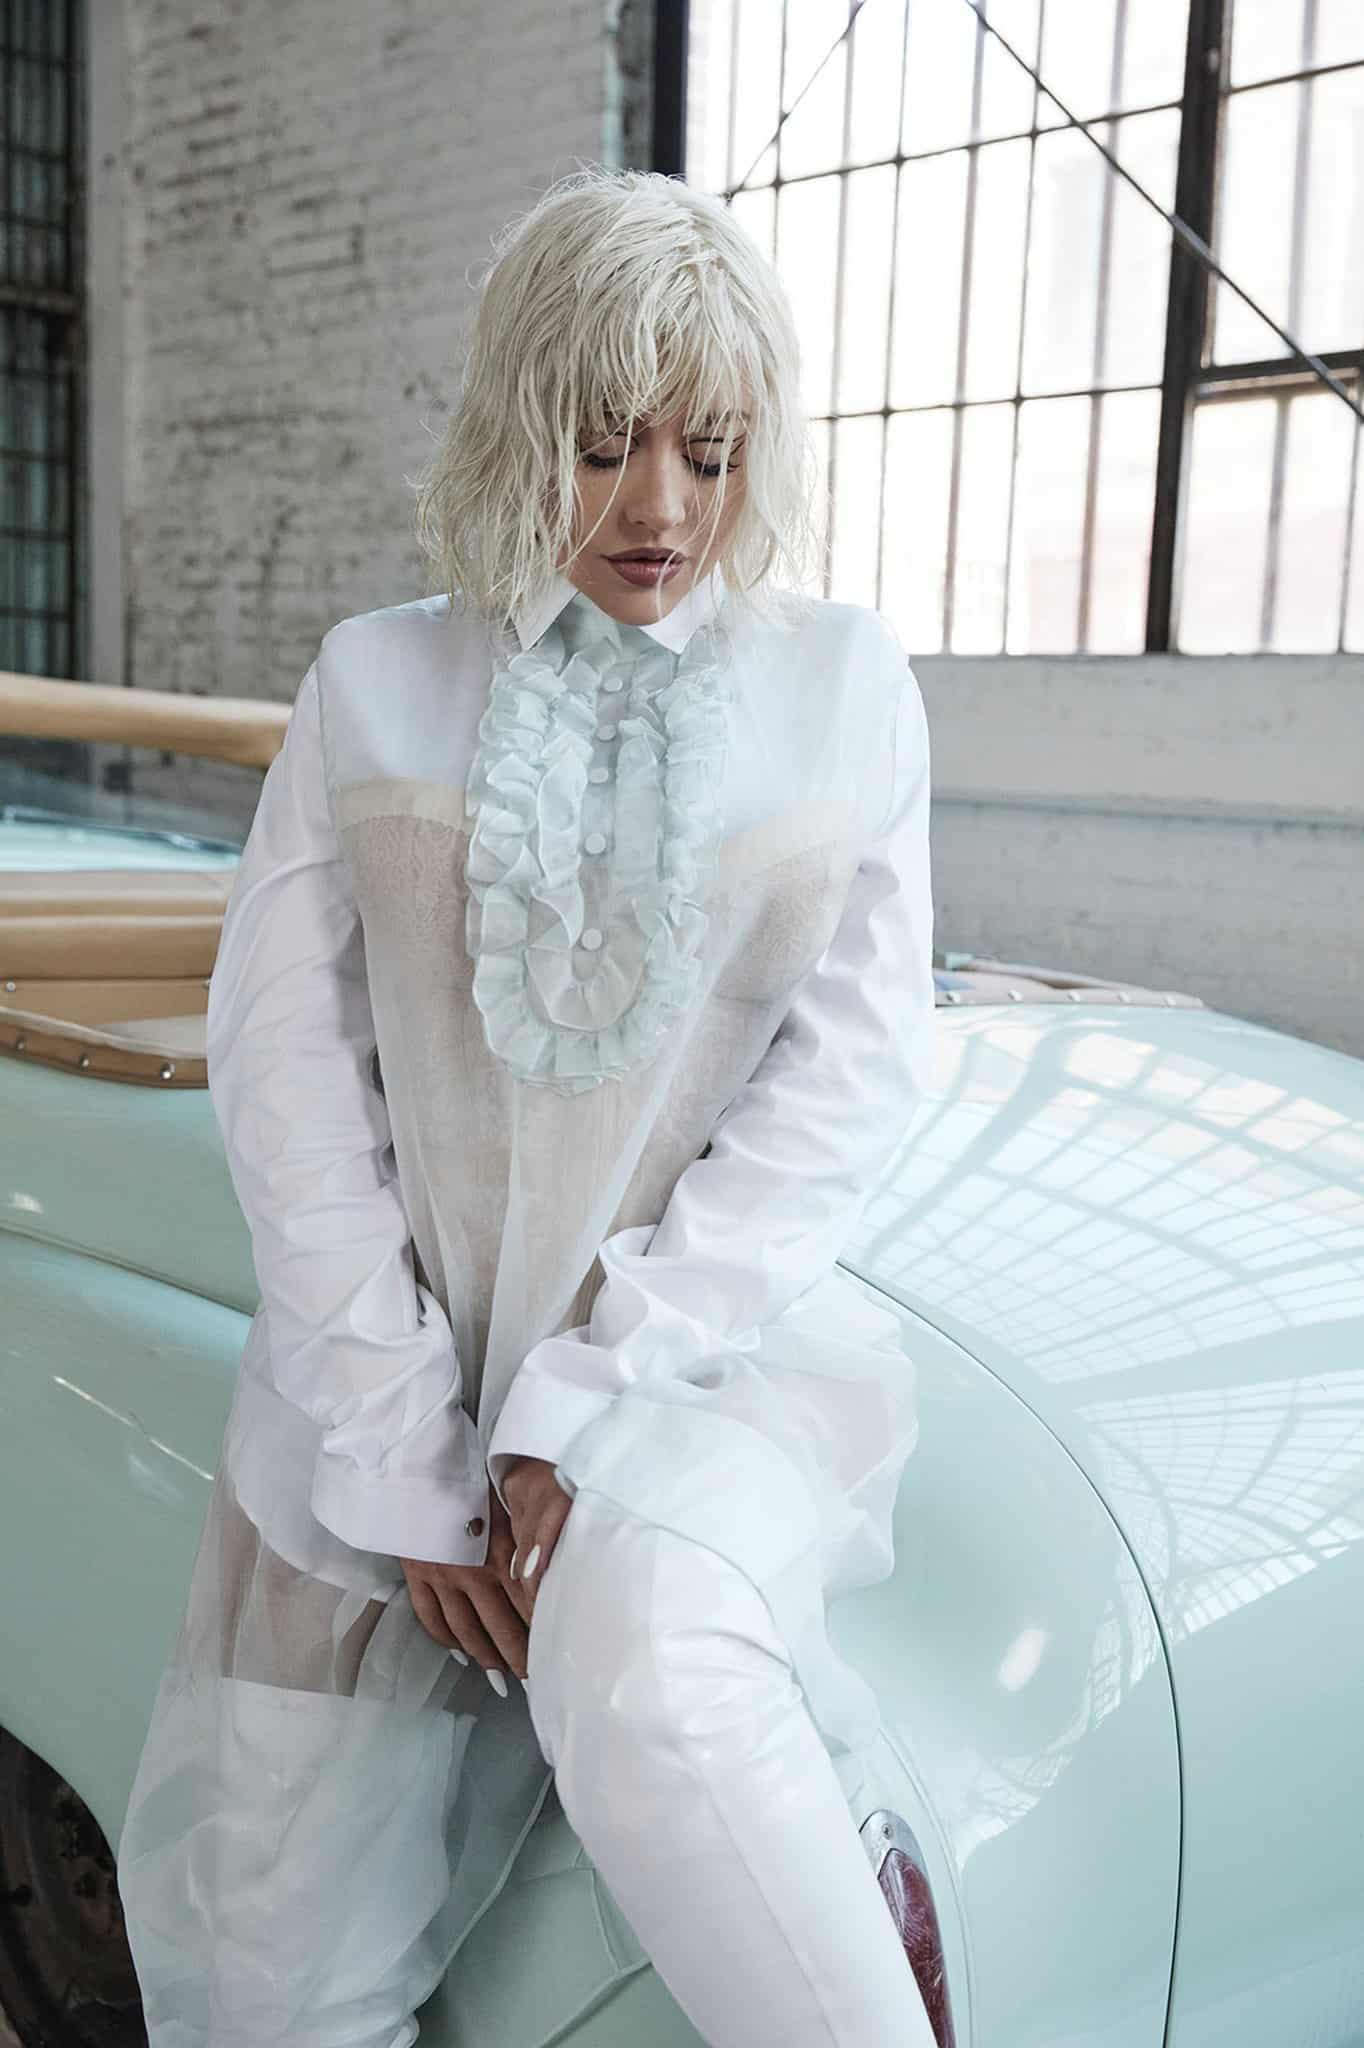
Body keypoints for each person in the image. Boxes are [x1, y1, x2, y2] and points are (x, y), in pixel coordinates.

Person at [115, 164, 940, 2048]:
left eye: (711, 453)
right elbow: (285, 1065)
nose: (660, 509)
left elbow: (851, 1069)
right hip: (371, 1393)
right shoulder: (375, 679)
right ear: (513, 422)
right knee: (279, 1963)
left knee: (668, 1697)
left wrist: (591, 1396)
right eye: (598, 443)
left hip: (696, 1380)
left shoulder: (846, 687)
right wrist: (405, 1443)